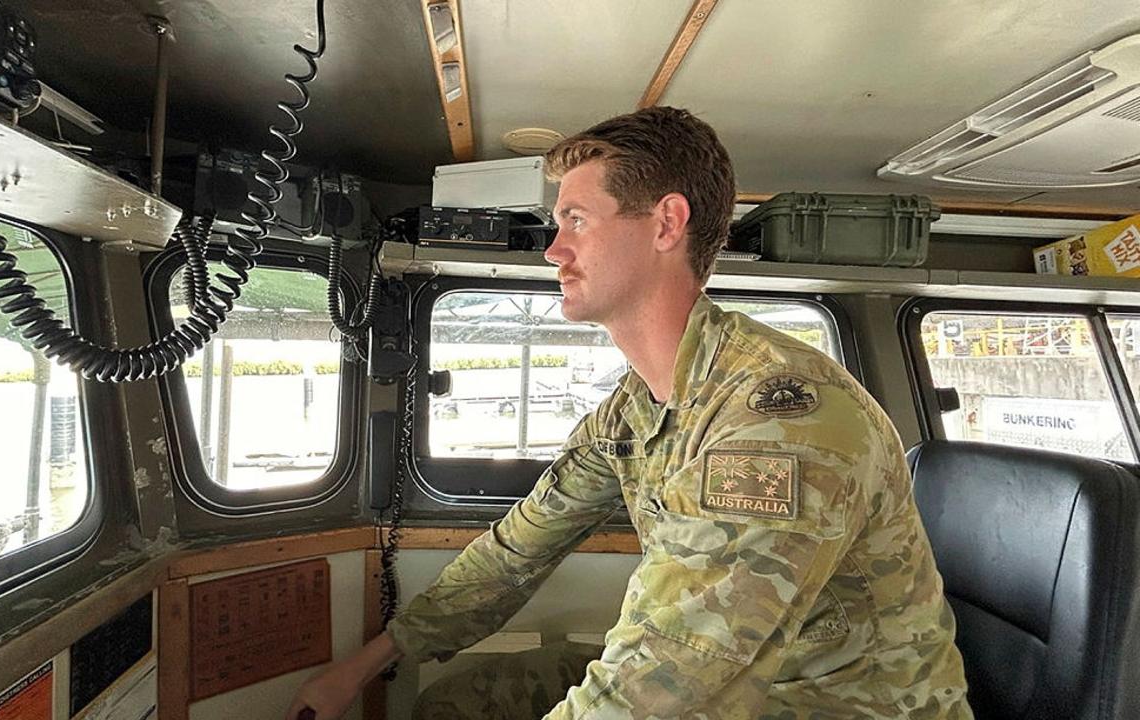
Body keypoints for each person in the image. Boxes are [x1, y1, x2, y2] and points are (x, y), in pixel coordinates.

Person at [287, 106, 973, 719]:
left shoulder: (780, 417)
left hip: (835, 705)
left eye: (576, 221)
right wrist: (364, 665)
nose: (555, 250)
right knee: (466, 703)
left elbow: (671, 674)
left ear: (666, 223)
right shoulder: (638, 406)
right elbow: (520, 547)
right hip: (738, 684)